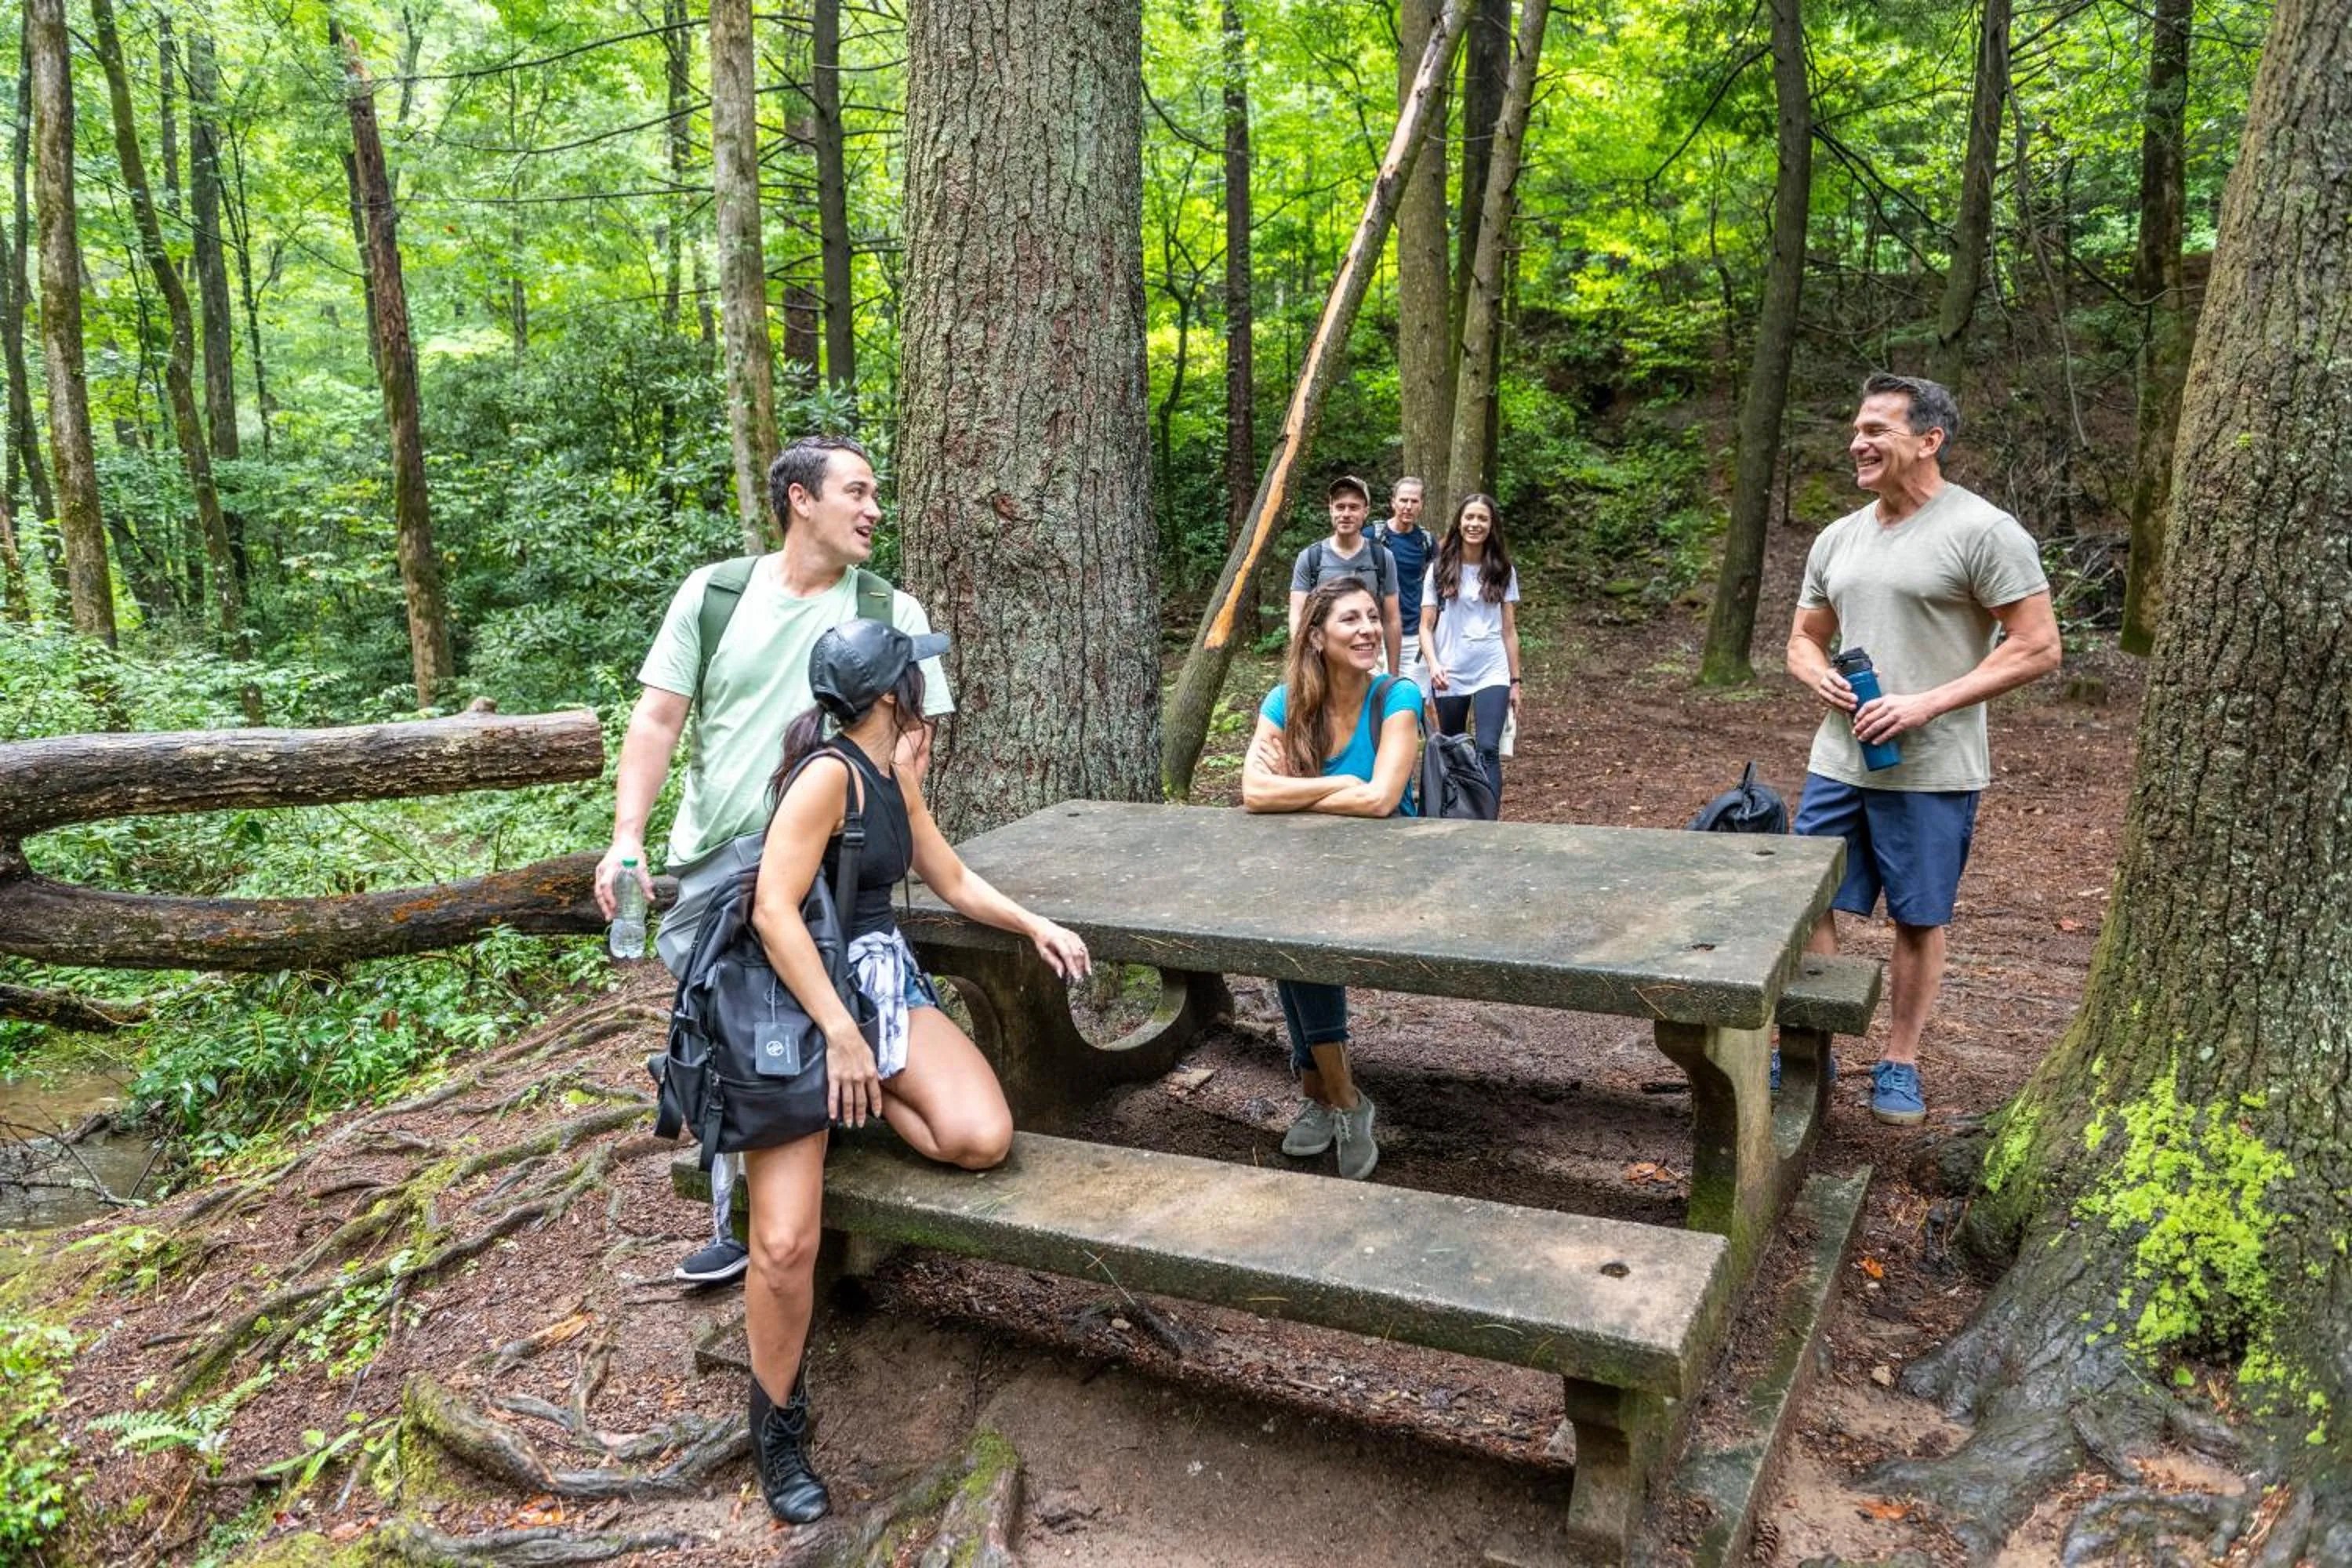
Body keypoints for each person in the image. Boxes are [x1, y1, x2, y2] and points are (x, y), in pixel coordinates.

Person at [740, 619, 1090, 1523]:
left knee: (981, 1134)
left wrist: (1033, 923)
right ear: (892, 694)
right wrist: (843, 1037)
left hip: (880, 982)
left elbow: (950, 876)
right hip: (799, 1001)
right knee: (785, 1243)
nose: (928, 686)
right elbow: (773, 909)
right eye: (916, 675)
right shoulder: (826, 775)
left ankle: (869, 1100)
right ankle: (777, 1421)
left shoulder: (894, 772)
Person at [594, 434, 953, 1288]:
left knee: (798, 1022)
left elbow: (916, 743)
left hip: (828, 864)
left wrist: (886, 828)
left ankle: (780, 1207)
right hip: (718, 856)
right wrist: (627, 834)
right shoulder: (715, 594)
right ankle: (743, 1215)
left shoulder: (888, 607)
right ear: (802, 500)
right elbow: (657, 719)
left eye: (876, 494)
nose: (874, 509)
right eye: (857, 492)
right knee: (737, 1027)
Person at [1785, 372, 2060, 1126]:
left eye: (1877, 429)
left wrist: (1926, 703)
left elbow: (2037, 646)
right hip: (1837, 762)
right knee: (1812, 902)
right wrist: (1820, 680)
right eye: (1857, 428)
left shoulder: (1984, 532)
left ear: (1929, 440)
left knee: (1918, 916)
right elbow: (1804, 641)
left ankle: (1900, 1063)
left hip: (1934, 769)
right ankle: (1814, 1044)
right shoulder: (1837, 537)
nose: (1858, 442)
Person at [1242, 578, 1421, 1181]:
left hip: (1392, 873)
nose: (1369, 629)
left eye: (1374, 617)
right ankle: (1335, 1098)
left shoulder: (1397, 697)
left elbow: (1383, 802)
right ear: (1317, 637)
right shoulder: (1286, 701)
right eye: (1351, 620)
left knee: (1300, 928)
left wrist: (1298, 794)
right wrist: (1340, 785)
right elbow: (1253, 792)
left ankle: (1330, 1096)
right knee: (1286, 920)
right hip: (1309, 870)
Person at [1417, 492, 1522, 808]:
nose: (1475, 524)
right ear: (1460, 522)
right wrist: (1433, 665)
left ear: (1492, 526)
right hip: (1449, 669)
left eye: (1482, 519)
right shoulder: (1438, 569)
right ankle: (1454, 810)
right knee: (1452, 745)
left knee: (1488, 748)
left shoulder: (1503, 569)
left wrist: (1515, 682)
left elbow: (1509, 630)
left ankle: (1488, 820)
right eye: (1470, 517)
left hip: (1492, 667)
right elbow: (1426, 626)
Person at [1289, 474, 1403, 673]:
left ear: (1365, 511)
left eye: (1354, 507)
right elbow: (1298, 614)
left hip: (1368, 659)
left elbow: (1392, 619)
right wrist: (1303, 661)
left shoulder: (1382, 558)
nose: (1346, 513)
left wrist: (1393, 674)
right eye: (1340, 507)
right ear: (1331, 509)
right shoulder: (1310, 557)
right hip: (1321, 660)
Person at [1376, 477, 1437, 692]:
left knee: (1413, 697)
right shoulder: (1373, 538)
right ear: (1393, 502)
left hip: (1414, 633)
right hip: (1378, 632)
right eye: (1403, 500)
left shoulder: (1426, 542)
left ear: (1421, 504)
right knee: (1379, 697)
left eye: (1414, 501)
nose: (1408, 507)